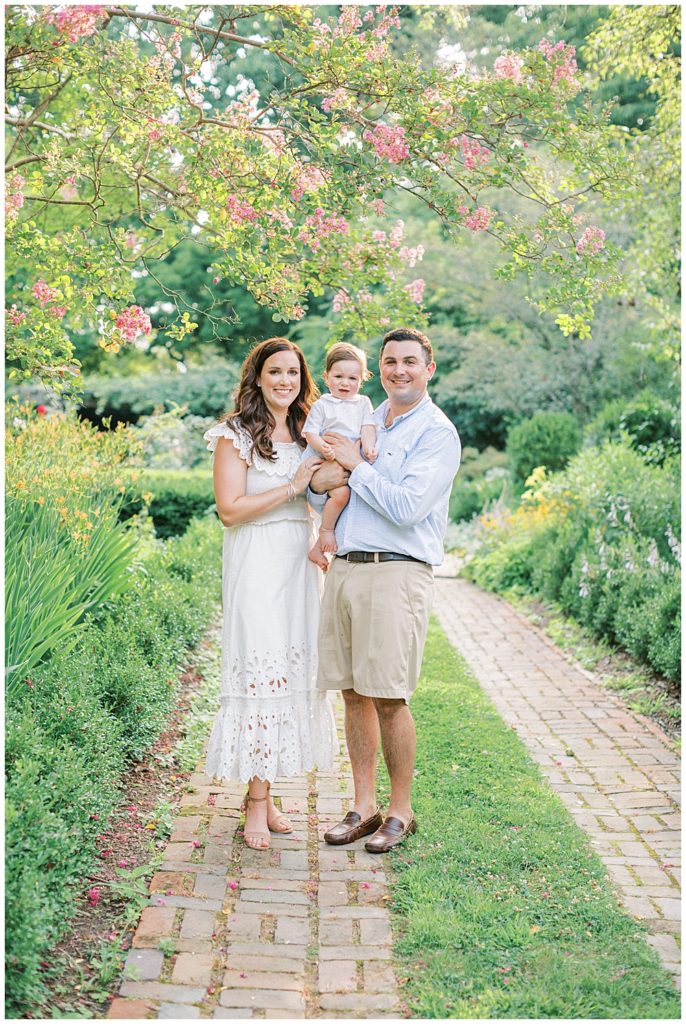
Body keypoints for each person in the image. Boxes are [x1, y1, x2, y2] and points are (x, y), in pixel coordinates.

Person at [310, 326, 461, 853]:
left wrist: (352, 467)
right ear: (380, 367)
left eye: (410, 361)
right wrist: (321, 482)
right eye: (391, 361)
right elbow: (323, 494)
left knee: (390, 697)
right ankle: (364, 806)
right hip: (345, 566)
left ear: (429, 368)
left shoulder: (436, 434)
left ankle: (401, 810)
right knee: (352, 694)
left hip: (397, 571)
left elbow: (405, 508)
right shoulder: (364, 419)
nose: (400, 369)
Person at [203, 337, 337, 851]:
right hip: (255, 559)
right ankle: (255, 806)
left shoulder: (309, 431)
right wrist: (291, 486)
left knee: (288, 670)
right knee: (260, 670)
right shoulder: (234, 433)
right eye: (275, 371)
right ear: (257, 377)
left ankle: (267, 794)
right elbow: (230, 509)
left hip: (298, 561)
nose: (285, 380)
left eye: (294, 373)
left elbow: (333, 479)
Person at [303, 342, 377, 567]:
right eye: (338, 376)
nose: (345, 383)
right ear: (326, 377)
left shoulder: (363, 403)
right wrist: (322, 446)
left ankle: (318, 548)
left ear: (362, 379)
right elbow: (310, 432)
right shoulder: (322, 405)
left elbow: (368, 427)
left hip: (352, 460)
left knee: (354, 502)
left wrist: (369, 446)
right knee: (342, 496)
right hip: (328, 458)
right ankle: (325, 532)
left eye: (353, 378)